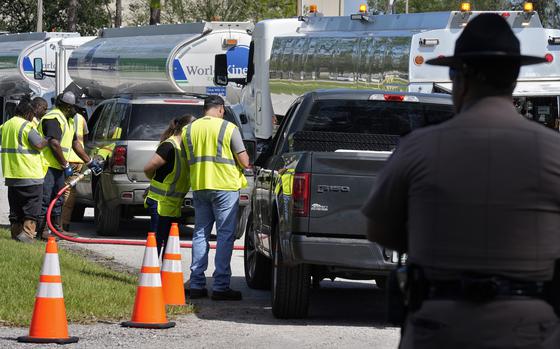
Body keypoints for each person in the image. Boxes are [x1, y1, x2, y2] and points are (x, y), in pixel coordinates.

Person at [362, 14, 560, 348]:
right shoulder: (553, 152)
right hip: (530, 329)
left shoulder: (418, 148)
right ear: (513, 80)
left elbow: (379, 229)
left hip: (439, 327)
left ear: (462, 78)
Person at [183, 95, 249, 300]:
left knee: (200, 234)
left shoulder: (189, 130)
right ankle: (220, 286)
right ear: (220, 109)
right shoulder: (228, 128)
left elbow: (188, 158)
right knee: (225, 235)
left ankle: (196, 284)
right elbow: (244, 161)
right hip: (225, 187)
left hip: (200, 186)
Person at [36, 91, 102, 239]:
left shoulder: (68, 120)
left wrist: (89, 161)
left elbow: (75, 143)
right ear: (66, 106)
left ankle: (58, 229)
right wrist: (65, 165)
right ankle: (42, 231)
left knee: (58, 199)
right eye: (73, 107)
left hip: (57, 167)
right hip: (47, 166)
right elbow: (54, 143)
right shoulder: (53, 118)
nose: (75, 110)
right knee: (46, 199)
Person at [144, 115, 195, 255]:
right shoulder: (169, 146)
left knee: (169, 243)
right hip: (160, 203)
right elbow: (149, 168)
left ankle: (164, 275)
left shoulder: (183, 149)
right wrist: (153, 180)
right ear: (185, 129)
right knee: (157, 241)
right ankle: (150, 274)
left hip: (173, 205)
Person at [0, 96, 48, 242]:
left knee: (16, 208)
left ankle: (16, 235)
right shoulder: (26, 126)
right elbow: (38, 144)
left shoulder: (6, 125)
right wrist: (49, 139)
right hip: (29, 174)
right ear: (28, 114)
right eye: (32, 114)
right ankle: (27, 235)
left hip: (12, 175)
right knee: (31, 207)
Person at [61, 110, 89, 232]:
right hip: (77, 159)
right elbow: (86, 138)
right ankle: (64, 223)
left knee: (58, 191)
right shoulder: (81, 118)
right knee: (69, 192)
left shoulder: (59, 116)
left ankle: (56, 224)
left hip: (62, 158)